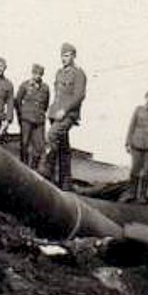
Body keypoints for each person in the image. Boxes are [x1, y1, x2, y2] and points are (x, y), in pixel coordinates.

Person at [40, 42, 87, 189]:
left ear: (73, 56)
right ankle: (65, 182)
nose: (64, 59)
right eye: (62, 56)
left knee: (52, 136)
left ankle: (46, 171)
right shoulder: (59, 72)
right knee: (63, 147)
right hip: (56, 113)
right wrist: (53, 111)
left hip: (68, 114)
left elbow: (79, 95)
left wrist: (65, 110)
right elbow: (57, 94)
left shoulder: (78, 73)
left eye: (67, 56)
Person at [125, 90, 148, 203]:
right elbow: (131, 126)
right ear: (145, 98)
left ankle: (142, 196)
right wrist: (127, 142)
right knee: (134, 170)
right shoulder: (138, 109)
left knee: (146, 172)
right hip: (136, 144)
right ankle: (131, 193)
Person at [15, 64, 50, 170]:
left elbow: (46, 104)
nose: (37, 76)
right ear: (32, 73)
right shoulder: (25, 85)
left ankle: (33, 168)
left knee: (39, 145)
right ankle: (22, 166)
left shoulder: (45, 88)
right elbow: (17, 101)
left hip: (39, 120)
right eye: (35, 73)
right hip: (26, 118)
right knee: (24, 143)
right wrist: (21, 115)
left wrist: (40, 113)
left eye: (40, 74)